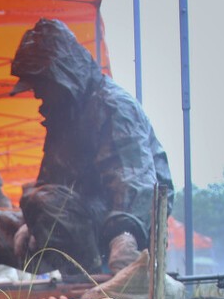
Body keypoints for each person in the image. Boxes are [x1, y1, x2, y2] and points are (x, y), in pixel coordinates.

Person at [9, 18, 173, 278]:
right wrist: (27, 222)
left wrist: (125, 234)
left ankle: (90, 281)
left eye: (40, 85)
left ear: (60, 75)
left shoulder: (112, 105)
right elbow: (50, 180)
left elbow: (134, 180)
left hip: (125, 226)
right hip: (85, 219)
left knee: (44, 201)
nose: (37, 94)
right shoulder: (64, 115)